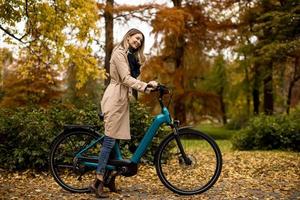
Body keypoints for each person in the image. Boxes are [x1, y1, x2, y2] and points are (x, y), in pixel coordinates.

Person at [89, 28, 158, 198]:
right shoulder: (119, 53)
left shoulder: (130, 56)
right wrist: (145, 86)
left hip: (121, 99)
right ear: (128, 37)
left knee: (115, 141)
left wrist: (148, 88)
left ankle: (110, 178)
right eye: (136, 38)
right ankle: (98, 180)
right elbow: (126, 79)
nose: (139, 42)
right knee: (109, 139)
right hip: (114, 99)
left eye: (141, 40)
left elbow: (131, 79)